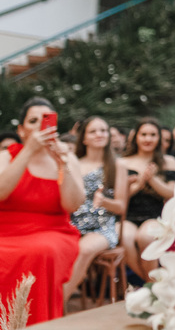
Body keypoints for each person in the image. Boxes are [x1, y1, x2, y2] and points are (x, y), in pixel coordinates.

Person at [0, 98, 84, 324]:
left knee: (41, 251)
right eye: (32, 121)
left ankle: (36, 322)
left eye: (45, 120)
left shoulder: (66, 157)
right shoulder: (6, 157)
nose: (39, 125)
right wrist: (27, 152)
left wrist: (62, 164)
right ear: (21, 130)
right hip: (6, 231)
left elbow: (73, 205)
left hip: (52, 230)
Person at [66, 116, 128, 303]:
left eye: (103, 130)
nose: (99, 134)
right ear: (83, 138)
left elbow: (121, 207)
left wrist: (103, 202)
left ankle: (58, 302)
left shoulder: (117, 165)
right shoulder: (74, 163)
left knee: (83, 250)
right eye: (93, 131)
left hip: (102, 228)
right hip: (71, 225)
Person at [121, 119, 175, 281]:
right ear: (136, 137)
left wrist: (152, 179)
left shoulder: (169, 161)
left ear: (159, 138)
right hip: (128, 216)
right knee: (125, 238)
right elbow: (119, 197)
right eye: (144, 134)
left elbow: (171, 193)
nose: (148, 139)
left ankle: (150, 283)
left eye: (153, 135)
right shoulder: (123, 162)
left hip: (155, 215)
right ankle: (151, 282)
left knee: (145, 237)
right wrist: (139, 185)